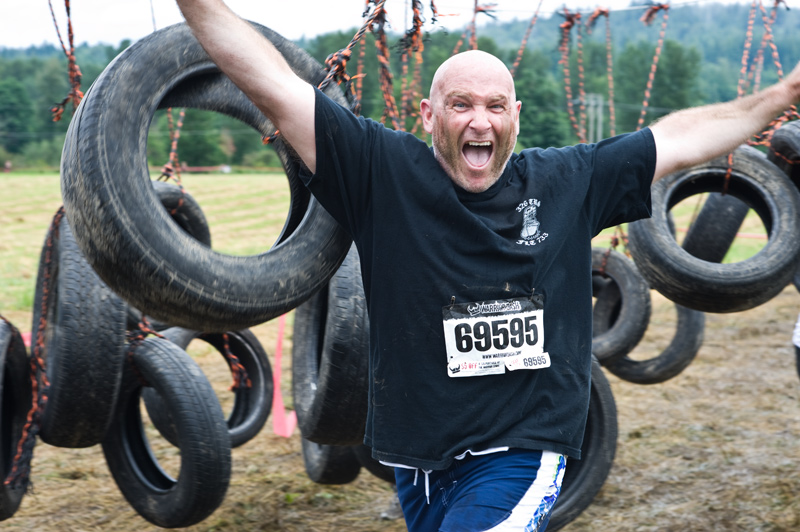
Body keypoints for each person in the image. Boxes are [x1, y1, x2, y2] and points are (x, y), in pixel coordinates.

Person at [174, 2, 800, 530]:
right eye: (462, 105)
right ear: (428, 115)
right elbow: (272, 86)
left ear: (515, 117)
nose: (480, 121)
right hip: (417, 459)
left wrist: (783, 93)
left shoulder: (568, 181)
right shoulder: (381, 173)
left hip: (521, 448)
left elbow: (682, 137)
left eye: (496, 106)